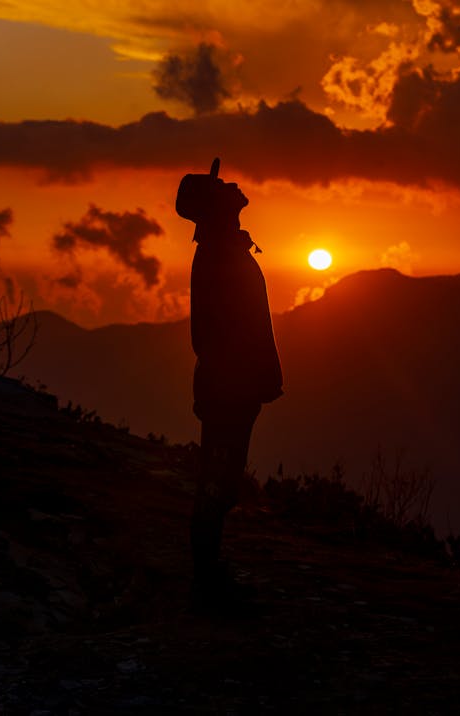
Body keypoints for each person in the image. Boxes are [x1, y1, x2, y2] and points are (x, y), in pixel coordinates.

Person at [176, 158, 283, 610]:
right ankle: (206, 584)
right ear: (215, 208)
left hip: (233, 387)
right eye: (222, 188)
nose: (235, 186)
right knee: (217, 481)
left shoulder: (224, 248)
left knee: (223, 479)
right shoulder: (220, 254)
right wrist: (242, 376)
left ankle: (208, 576)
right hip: (228, 390)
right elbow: (215, 333)